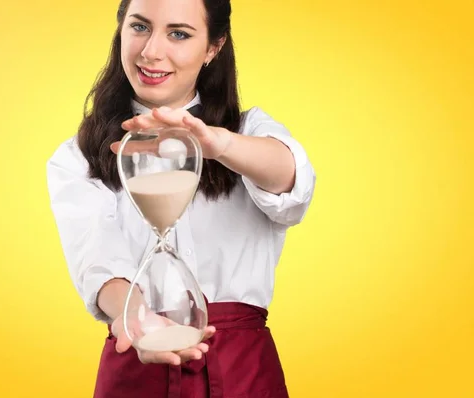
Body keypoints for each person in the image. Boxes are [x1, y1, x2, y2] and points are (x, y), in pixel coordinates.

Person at [46, 0, 316, 396]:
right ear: (120, 30)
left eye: (179, 34)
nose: (152, 51)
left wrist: (216, 143)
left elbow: (290, 180)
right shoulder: (78, 155)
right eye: (139, 27)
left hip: (244, 367)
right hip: (137, 360)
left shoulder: (248, 131)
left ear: (213, 47)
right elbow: (98, 260)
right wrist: (136, 319)